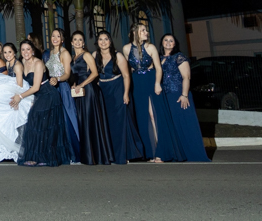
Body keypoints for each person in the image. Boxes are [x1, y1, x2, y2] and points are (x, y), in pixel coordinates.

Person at [123, 23, 185, 162]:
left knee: (154, 115)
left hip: (151, 80)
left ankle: (160, 152)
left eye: (146, 30)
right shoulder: (126, 48)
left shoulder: (150, 47)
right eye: (143, 30)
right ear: (135, 33)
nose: (146, 32)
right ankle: (149, 152)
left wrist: (157, 84)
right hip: (136, 83)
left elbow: (158, 68)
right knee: (142, 116)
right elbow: (128, 69)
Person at [11, 40, 72, 167]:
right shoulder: (22, 62)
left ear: (33, 50)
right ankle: (36, 156)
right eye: (23, 49)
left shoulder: (38, 63)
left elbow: (36, 87)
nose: (26, 52)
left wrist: (20, 97)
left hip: (48, 94)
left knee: (36, 121)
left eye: (28, 49)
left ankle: (41, 157)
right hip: (37, 96)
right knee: (36, 124)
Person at [93, 31, 143, 164]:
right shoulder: (94, 55)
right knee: (107, 123)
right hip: (103, 91)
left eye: (106, 39)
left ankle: (122, 154)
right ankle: (109, 154)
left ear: (110, 41)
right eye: (100, 39)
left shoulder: (118, 55)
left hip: (117, 89)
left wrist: (125, 94)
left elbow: (126, 76)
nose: (103, 42)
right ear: (97, 42)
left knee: (119, 123)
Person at [160, 33, 209, 162]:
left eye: (171, 40)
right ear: (162, 43)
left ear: (175, 44)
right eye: (166, 40)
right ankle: (177, 154)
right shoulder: (159, 58)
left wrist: (184, 95)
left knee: (185, 124)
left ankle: (193, 153)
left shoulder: (179, 57)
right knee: (172, 125)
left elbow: (186, 77)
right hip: (165, 96)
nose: (168, 42)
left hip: (178, 95)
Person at [70, 31, 114, 165]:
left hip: (89, 90)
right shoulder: (73, 58)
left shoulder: (86, 55)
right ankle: (87, 155)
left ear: (83, 43)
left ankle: (95, 156)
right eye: (75, 39)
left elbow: (94, 73)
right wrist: (74, 84)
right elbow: (76, 74)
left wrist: (81, 85)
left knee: (90, 120)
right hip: (79, 90)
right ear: (71, 43)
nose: (78, 42)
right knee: (82, 121)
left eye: (80, 40)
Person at [43, 28, 81, 163]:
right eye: (53, 36)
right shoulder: (50, 53)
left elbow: (67, 74)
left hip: (62, 88)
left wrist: (57, 79)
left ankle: (73, 153)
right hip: (52, 89)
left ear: (62, 39)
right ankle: (58, 153)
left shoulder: (65, 53)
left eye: (58, 36)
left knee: (66, 119)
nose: (55, 38)